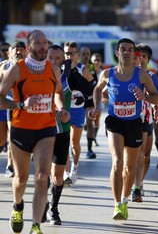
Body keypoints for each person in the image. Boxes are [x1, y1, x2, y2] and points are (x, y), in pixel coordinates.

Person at [0, 30, 69, 234]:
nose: (42, 46)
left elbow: (57, 94)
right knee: (21, 179)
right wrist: (21, 104)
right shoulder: (17, 69)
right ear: (29, 47)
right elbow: (1, 98)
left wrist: (61, 109)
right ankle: (17, 205)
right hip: (21, 130)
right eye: (37, 43)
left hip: (46, 130)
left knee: (41, 176)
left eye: (44, 42)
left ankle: (36, 225)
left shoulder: (54, 69)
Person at [88, 38, 158, 220]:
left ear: (133, 53)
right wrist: (97, 107)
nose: (127, 52)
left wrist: (144, 96)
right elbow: (98, 89)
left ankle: (124, 199)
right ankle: (117, 205)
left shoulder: (142, 76)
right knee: (117, 162)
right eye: (123, 49)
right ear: (117, 52)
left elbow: (157, 98)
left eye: (130, 49)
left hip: (134, 123)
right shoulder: (107, 74)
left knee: (129, 167)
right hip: (114, 122)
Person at [45, 44, 94, 224]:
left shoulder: (67, 76)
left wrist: (73, 72)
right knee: (44, 173)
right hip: (41, 131)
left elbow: (90, 89)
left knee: (57, 175)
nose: (54, 61)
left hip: (62, 131)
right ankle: (43, 203)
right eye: (51, 57)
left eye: (58, 58)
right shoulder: (36, 74)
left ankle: (53, 209)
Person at [132, 44, 158, 202]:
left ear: (148, 59)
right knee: (135, 155)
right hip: (130, 119)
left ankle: (139, 183)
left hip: (147, 118)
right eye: (138, 55)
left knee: (144, 155)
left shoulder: (152, 77)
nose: (140, 59)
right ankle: (134, 186)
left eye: (144, 56)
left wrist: (156, 108)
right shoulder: (128, 74)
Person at [63, 41, 95, 185]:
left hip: (77, 110)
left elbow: (92, 89)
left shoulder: (82, 69)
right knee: (63, 142)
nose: (69, 56)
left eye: (72, 53)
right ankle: (64, 172)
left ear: (77, 55)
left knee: (74, 143)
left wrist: (89, 106)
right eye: (67, 53)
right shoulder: (60, 68)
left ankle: (74, 168)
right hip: (63, 109)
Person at [0, 40, 27, 178]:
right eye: (16, 49)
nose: (19, 51)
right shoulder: (3, 67)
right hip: (3, 105)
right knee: (2, 139)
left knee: (12, 137)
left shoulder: (28, 67)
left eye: (22, 49)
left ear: (26, 52)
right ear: (9, 52)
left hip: (18, 107)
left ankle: (10, 165)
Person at [80, 46, 97, 157]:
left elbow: (95, 83)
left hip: (89, 99)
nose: (86, 56)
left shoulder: (92, 67)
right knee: (78, 125)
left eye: (88, 54)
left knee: (90, 123)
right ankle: (74, 145)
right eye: (84, 54)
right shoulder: (76, 66)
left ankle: (89, 149)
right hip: (78, 99)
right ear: (79, 55)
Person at [90, 52, 104, 146]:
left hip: (100, 99)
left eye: (98, 60)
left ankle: (94, 137)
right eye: (95, 60)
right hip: (90, 98)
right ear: (91, 61)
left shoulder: (103, 72)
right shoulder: (89, 71)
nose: (96, 62)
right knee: (89, 119)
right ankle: (90, 137)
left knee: (97, 120)